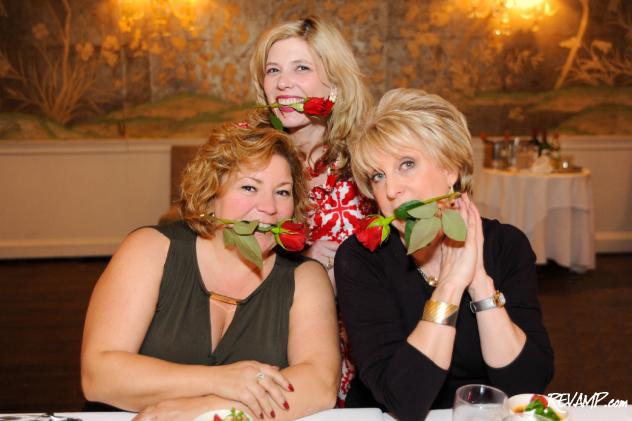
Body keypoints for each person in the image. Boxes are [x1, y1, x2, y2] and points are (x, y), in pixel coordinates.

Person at [81, 125, 340, 421]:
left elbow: (320, 385)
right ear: (212, 193)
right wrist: (220, 381)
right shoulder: (150, 250)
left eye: (282, 192)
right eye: (249, 187)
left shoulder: (305, 278)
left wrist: (215, 408)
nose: (269, 207)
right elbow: (99, 375)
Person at [335, 88, 554, 421]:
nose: (391, 191)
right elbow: (404, 401)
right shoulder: (362, 258)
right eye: (377, 176)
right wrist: (450, 287)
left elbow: (527, 385)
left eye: (406, 164)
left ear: (450, 169)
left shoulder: (506, 246)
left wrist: (479, 281)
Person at [249, 16, 374, 405]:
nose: (283, 82)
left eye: (301, 68)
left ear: (334, 83)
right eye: (273, 71)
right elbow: (218, 247)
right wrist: (302, 264)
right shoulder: (251, 155)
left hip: (362, 347)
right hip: (263, 334)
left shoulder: (368, 159)